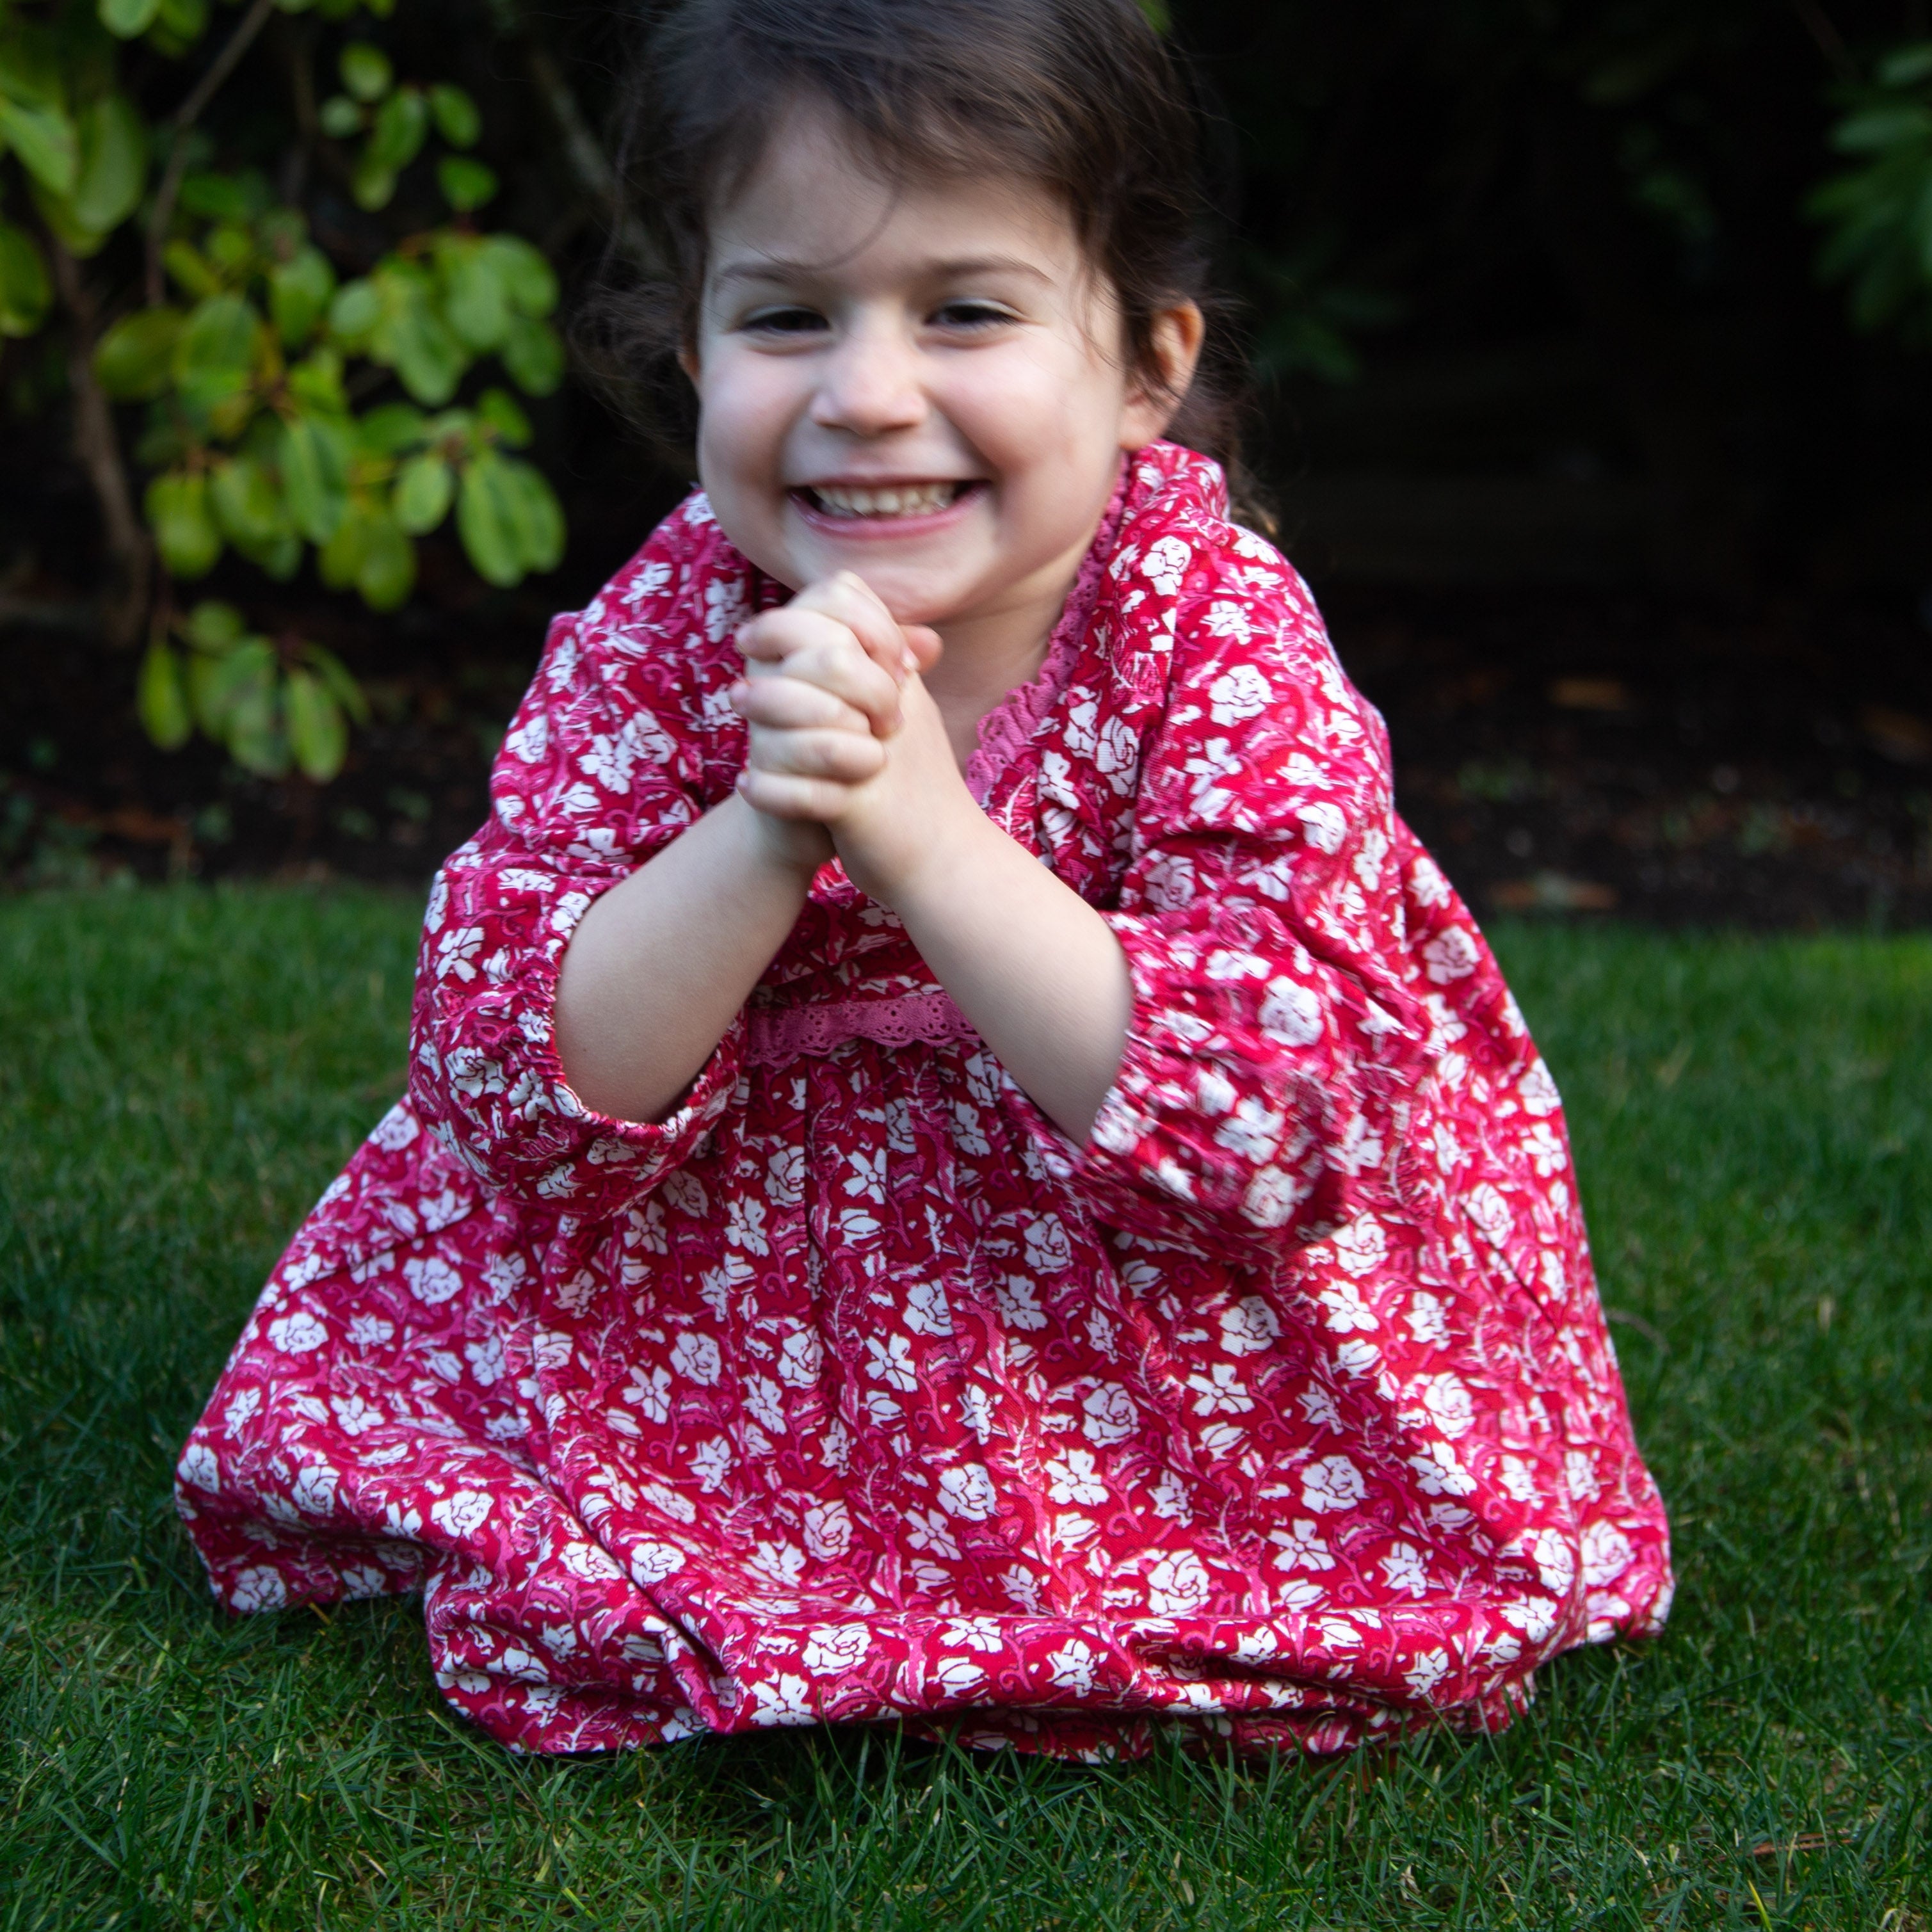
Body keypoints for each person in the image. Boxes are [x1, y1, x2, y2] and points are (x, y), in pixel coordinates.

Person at [175, 0, 1671, 1761]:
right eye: (787, 314)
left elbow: (1264, 1117)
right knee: (483, 1451)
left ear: (1141, 365)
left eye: (965, 309)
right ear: (694, 352)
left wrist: (926, 836)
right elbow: (527, 1091)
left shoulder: (1211, 632)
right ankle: (762, 1530)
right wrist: (763, 832)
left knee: (1324, 1546)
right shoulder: (663, 638)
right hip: (728, 1346)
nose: (867, 393)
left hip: (1152, 1339)